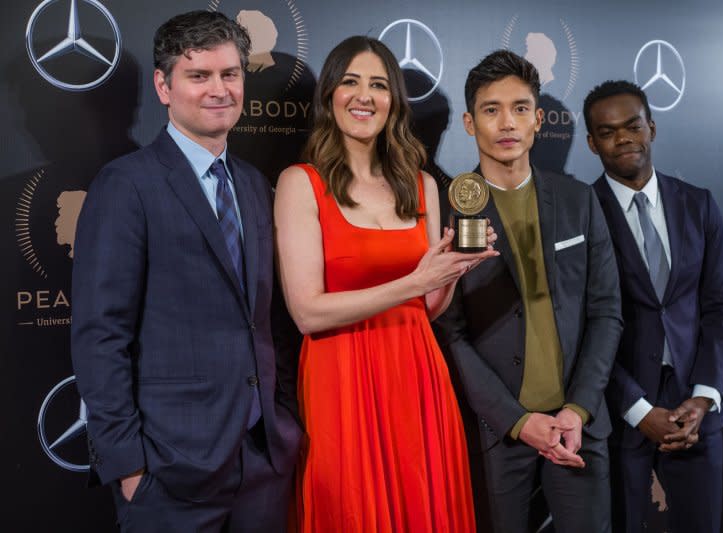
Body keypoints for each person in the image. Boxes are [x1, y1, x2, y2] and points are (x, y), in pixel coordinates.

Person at [71, 11, 301, 532]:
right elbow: (99, 335)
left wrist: (284, 420)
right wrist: (127, 465)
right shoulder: (125, 185)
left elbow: (268, 318)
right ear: (163, 85)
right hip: (168, 472)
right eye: (199, 75)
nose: (219, 89)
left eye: (230, 74)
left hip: (262, 462)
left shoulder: (252, 184)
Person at [274, 36, 497, 533]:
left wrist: (453, 271)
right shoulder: (300, 183)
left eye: (378, 84)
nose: (364, 96)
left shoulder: (421, 184)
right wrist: (414, 280)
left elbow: (428, 307)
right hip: (340, 380)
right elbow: (307, 313)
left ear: (393, 101)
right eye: (350, 81)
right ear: (330, 94)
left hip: (417, 376)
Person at [434, 50, 622, 533]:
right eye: (490, 109)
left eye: (519, 108)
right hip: (499, 433)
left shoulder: (578, 199)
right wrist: (517, 421)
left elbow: (606, 312)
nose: (506, 122)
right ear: (469, 123)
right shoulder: (447, 210)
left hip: (577, 428)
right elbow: (448, 333)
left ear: (538, 120)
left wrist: (578, 409)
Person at [583, 80, 723, 533]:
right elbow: (578, 329)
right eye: (608, 132)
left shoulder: (699, 204)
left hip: (695, 409)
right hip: (619, 413)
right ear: (592, 143)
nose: (623, 138)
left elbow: (720, 309)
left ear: (652, 127)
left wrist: (705, 397)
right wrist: (637, 409)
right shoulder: (581, 212)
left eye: (633, 125)